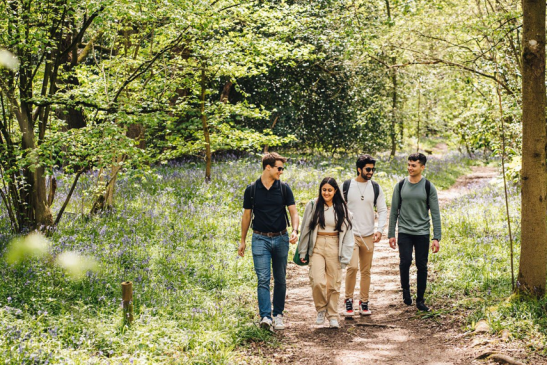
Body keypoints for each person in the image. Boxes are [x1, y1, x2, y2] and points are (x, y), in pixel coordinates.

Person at [239, 152, 299, 331]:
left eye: (282, 168)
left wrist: (295, 230)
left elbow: (293, 212)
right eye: (279, 168)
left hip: (281, 238)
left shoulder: (284, 188)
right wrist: (242, 240)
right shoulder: (251, 190)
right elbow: (246, 216)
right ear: (268, 167)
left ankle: (278, 314)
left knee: (280, 278)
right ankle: (266, 317)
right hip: (259, 238)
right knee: (263, 279)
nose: (281, 171)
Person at [297, 177, 354, 328]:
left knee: (334, 283)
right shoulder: (313, 205)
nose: (326, 193)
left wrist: (346, 256)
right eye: (324, 190)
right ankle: (321, 309)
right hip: (317, 246)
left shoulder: (343, 208)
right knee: (317, 280)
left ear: (335, 191)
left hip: (335, 245)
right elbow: (305, 230)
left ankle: (333, 315)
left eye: (329, 190)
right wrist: (303, 251)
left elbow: (348, 235)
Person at [388, 153, 441, 312]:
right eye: (409, 165)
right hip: (404, 231)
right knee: (405, 262)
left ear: (422, 167)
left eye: (414, 165)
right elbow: (393, 211)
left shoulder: (428, 187)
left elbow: (435, 213)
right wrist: (391, 234)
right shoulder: (400, 185)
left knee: (421, 265)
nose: (410, 168)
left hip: (422, 232)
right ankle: (405, 290)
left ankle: (420, 300)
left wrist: (436, 237)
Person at [342, 155, 388, 317]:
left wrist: (380, 229)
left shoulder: (375, 187)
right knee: (352, 267)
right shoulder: (347, 186)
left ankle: (364, 301)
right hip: (351, 235)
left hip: (369, 235)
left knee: (366, 270)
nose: (371, 172)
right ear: (359, 169)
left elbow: (382, 210)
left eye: (373, 169)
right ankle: (348, 300)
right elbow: (338, 208)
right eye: (368, 169)